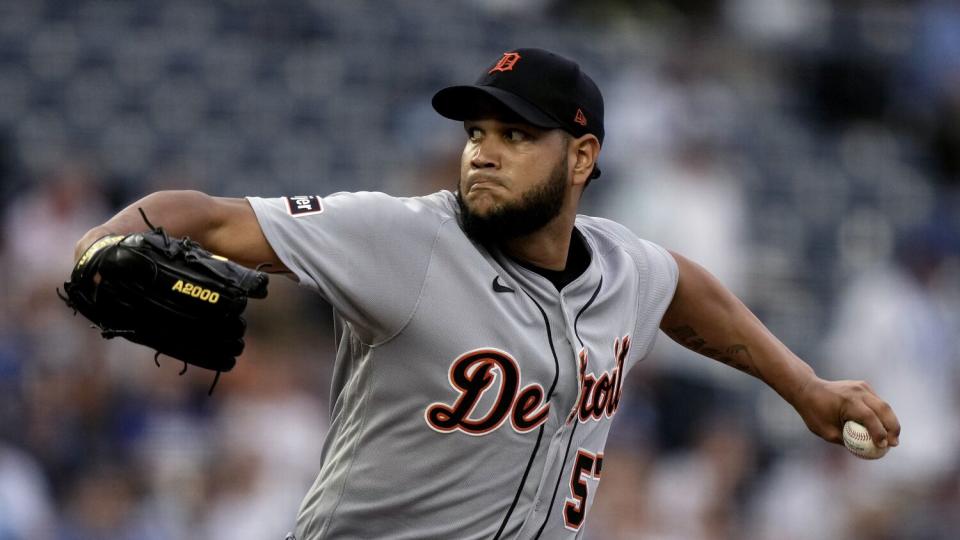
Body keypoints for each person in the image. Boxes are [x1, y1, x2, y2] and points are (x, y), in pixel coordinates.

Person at [72, 48, 900, 539]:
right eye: (475, 133)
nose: (483, 153)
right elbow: (208, 219)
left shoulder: (619, 266)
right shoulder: (402, 238)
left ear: (581, 157)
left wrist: (807, 388)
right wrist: (99, 243)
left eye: (515, 135)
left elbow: (688, 293)